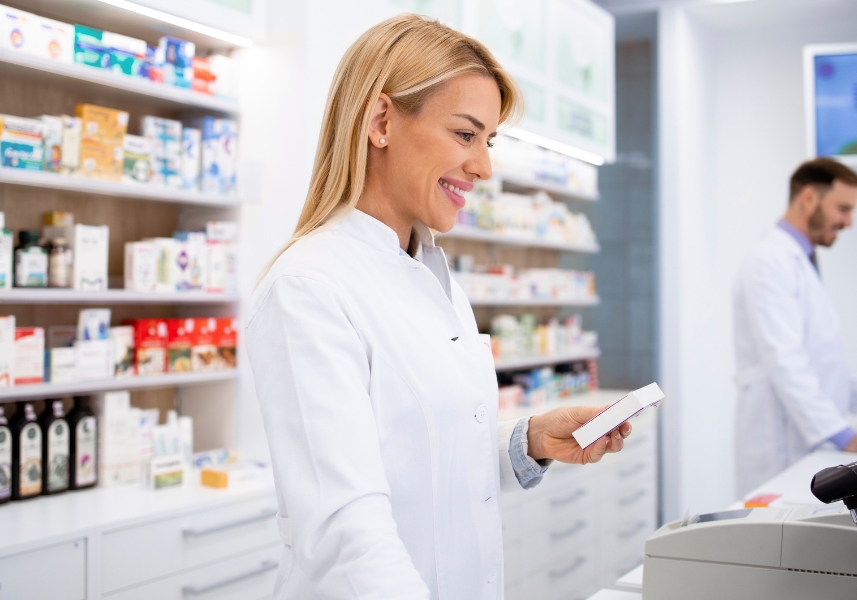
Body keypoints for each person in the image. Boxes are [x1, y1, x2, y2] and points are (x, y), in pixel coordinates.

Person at [245, 15, 633, 599]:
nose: (484, 166)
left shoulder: (434, 275)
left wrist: (526, 441)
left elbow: (425, 451)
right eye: (465, 134)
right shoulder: (310, 288)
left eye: (488, 141)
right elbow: (346, 530)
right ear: (381, 122)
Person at [733, 158, 857, 495]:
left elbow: (821, 356)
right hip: (780, 444)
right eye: (843, 208)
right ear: (808, 198)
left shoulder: (799, 260)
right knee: (781, 541)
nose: (849, 222)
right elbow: (786, 361)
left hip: (804, 438)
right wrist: (846, 436)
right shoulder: (770, 262)